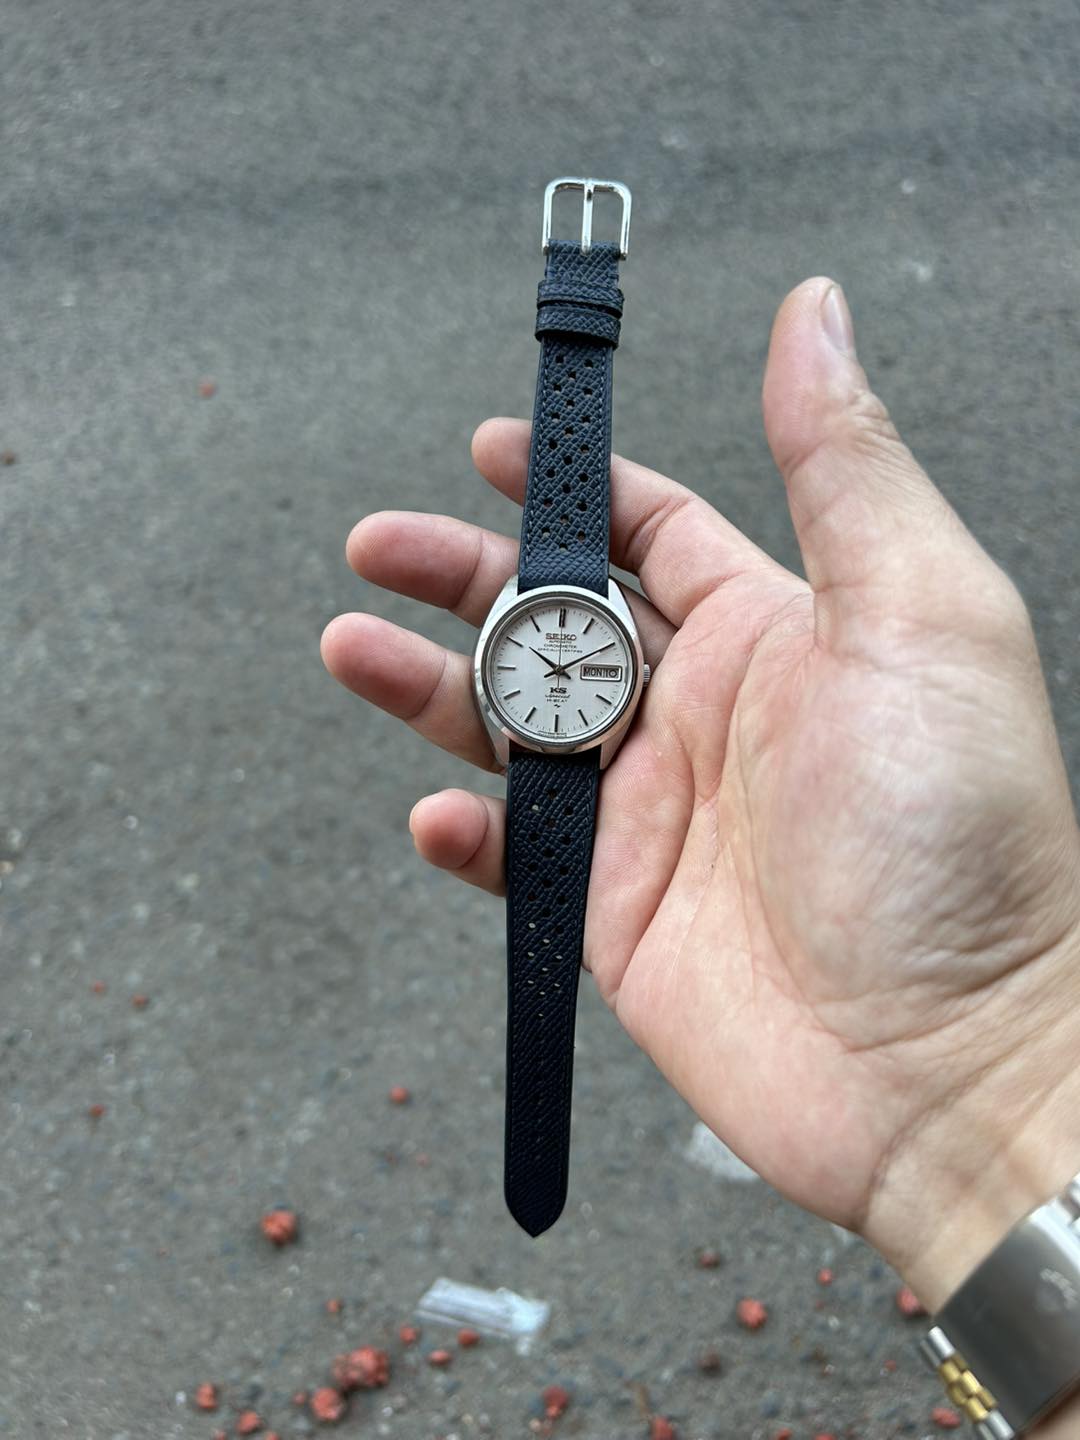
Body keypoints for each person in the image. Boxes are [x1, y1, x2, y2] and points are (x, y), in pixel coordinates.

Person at [321, 277, 1080, 1436]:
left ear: (624, 676)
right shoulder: (573, 681)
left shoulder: (587, 678)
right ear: (502, 675)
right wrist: (1003, 1076)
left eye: (584, 666)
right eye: (545, 668)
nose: (565, 673)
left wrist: (993, 1065)